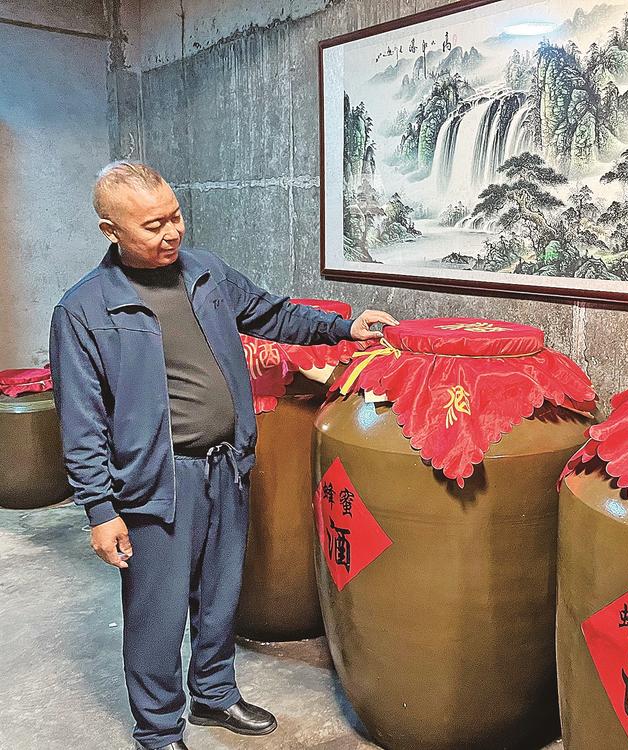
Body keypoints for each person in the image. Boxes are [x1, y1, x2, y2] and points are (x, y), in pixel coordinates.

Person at [48, 161, 398, 750]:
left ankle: (213, 693)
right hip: (157, 481)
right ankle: (159, 730)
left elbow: (271, 313)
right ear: (111, 231)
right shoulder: (83, 311)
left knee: (219, 594)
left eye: (175, 216)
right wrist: (100, 511)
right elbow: (82, 424)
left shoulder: (206, 272)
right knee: (157, 614)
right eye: (153, 225)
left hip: (226, 465)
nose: (172, 232)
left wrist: (343, 327)